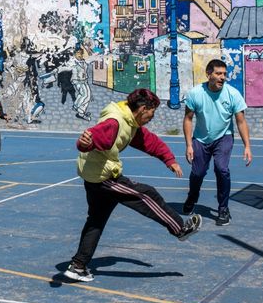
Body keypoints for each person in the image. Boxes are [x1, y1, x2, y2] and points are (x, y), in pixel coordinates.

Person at [64, 88, 201, 283]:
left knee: (96, 221)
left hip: (93, 175)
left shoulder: (129, 121)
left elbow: (148, 141)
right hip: (104, 177)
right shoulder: (115, 121)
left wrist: (168, 159)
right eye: (152, 113)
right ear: (144, 109)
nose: (152, 117)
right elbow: (95, 136)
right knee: (146, 194)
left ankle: (78, 266)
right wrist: (84, 142)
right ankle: (180, 229)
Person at [182, 58, 252, 226]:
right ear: (208, 74)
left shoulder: (233, 94)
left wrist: (247, 146)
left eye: (225, 74)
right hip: (200, 138)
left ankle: (223, 208)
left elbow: (241, 121)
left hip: (224, 137)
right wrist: (189, 145)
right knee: (198, 173)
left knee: (222, 169)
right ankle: (192, 197)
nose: (222, 77)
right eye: (218, 73)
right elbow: (188, 119)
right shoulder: (195, 94)